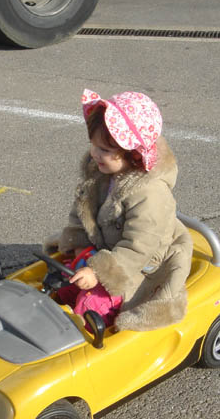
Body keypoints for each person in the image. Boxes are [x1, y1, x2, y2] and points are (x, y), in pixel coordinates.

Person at [44, 89, 193, 332]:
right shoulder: (101, 173)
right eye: (93, 145)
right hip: (105, 250)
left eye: (104, 149)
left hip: (138, 266)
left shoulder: (150, 194)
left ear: (133, 154)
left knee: (90, 305)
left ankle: (87, 334)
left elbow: (139, 247)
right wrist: (81, 247)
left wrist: (97, 272)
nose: (94, 154)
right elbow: (81, 211)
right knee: (62, 284)